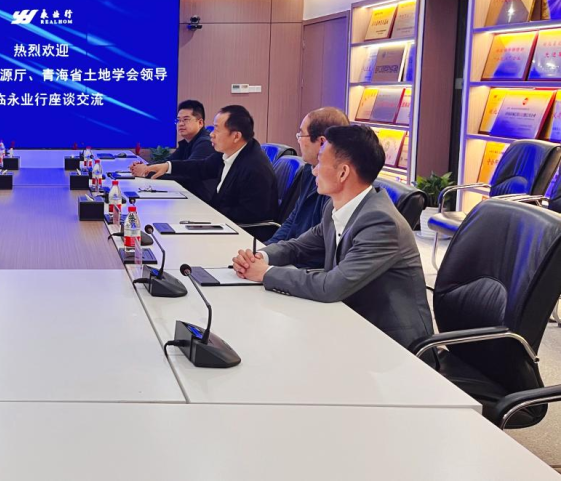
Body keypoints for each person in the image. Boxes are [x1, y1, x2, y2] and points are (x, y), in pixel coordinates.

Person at [231, 125, 434, 350]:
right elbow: (298, 247)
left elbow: (332, 286)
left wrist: (265, 273)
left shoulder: (381, 222)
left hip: (392, 344)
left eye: (320, 162)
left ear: (343, 172)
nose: (314, 171)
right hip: (347, 321)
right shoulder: (334, 208)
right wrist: (260, 257)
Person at [132, 105, 278, 225]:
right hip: (219, 221)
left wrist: (203, 211)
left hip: (242, 234)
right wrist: (167, 166)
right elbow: (201, 167)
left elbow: (251, 215)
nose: (211, 134)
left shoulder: (255, 167)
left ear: (236, 136)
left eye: (217, 130)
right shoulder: (228, 153)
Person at [267, 107, 349, 248]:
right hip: (291, 251)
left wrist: (273, 255)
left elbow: (318, 244)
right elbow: (293, 220)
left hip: (304, 257)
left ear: (322, 142)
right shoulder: (308, 170)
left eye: (301, 134)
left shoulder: (339, 184)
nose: (298, 140)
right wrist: (266, 249)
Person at [132, 100, 216, 199]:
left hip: (202, 200)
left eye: (186, 120)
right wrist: (144, 167)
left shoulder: (205, 143)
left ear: (200, 122)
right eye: (178, 120)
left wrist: (146, 172)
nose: (180, 124)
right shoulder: (186, 143)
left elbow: (186, 173)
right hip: (187, 194)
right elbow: (168, 163)